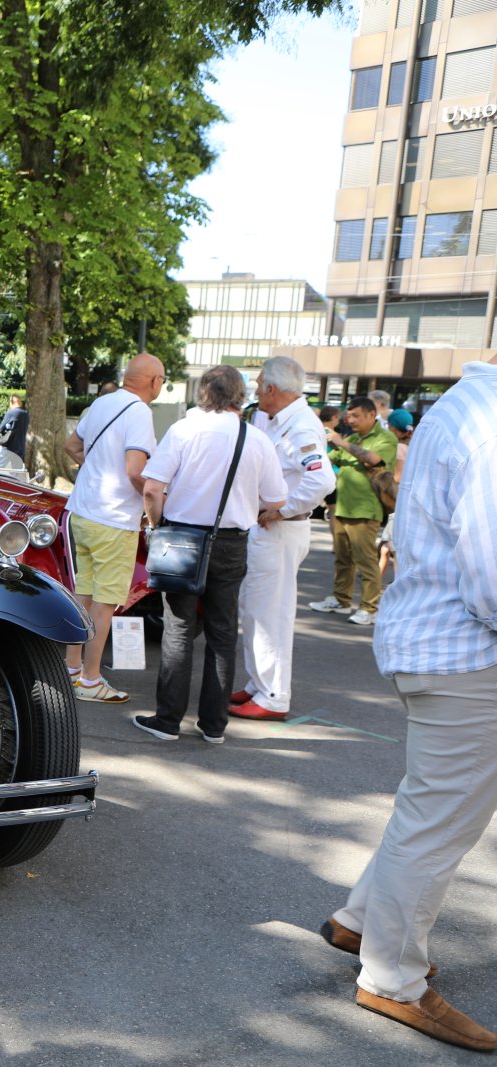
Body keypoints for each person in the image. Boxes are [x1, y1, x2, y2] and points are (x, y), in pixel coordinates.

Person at [317, 359, 497, 1052]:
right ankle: (392, 976)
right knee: (438, 822)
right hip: (466, 652)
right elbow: (491, 579)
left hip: (437, 643)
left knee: (430, 809)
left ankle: (362, 920)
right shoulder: (489, 423)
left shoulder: (466, 405)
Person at [133, 365, 285, 744]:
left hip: (182, 537)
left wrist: (156, 525)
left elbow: (152, 488)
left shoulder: (184, 429)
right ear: (240, 395)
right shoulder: (256, 438)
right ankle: (214, 725)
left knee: (179, 629)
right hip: (232, 541)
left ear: (203, 392)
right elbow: (277, 498)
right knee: (222, 631)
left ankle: (168, 720)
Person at [227, 357, 336, 723]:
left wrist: (283, 509)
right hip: (270, 529)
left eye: (260, 386)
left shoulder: (301, 426)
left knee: (269, 612)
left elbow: (322, 480)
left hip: (280, 530)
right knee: (255, 609)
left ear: (272, 389)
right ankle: (259, 684)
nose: (257, 392)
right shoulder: (280, 420)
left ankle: (273, 695)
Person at [61, 354, 165, 703]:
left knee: (83, 594)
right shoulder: (140, 412)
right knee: (105, 603)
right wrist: (152, 504)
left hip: (83, 510)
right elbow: (136, 471)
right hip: (114, 518)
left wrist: (96, 469)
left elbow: (71, 446)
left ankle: (72, 667)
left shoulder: (102, 403)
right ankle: (91, 679)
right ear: (154, 381)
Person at [308, 396, 397, 625]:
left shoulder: (385, 438)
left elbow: (373, 459)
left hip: (365, 510)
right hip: (343, 507)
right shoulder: (353, 437)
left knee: (366, 562)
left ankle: (369, 608)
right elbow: (330, 459)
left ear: (371, 414)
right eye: (349, 416)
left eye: (356, 415)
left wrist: (341, 442)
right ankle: (341, 599)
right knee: (343, 559)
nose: (351, 420)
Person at [375, 408, 413, 583]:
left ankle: (396, 586)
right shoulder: (411, 446)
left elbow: (397, 477)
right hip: (407, 502)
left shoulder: (398, 448)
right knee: (386, 548)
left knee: (392, 547)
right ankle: (377, 583)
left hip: (398, 502)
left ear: (393, 428)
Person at [0, 394, 29, 460]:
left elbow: (0, 429)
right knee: (17, 466)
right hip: (21, 448)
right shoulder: (26, 414)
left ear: (11, 402)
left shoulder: (11, 413)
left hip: (9, 447)